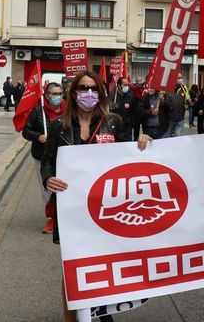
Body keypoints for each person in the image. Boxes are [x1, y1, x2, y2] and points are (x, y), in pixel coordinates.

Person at [40, 71, 152, 322]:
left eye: (93, 88)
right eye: (82, 88)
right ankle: (72, 317)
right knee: (73, 264)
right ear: (74, 92)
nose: (88, 93)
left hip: (107, 206)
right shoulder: (59, 125)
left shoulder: (113, 122)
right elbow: (47, 160)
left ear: (100, 93)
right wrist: (48, 178)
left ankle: (102, 312)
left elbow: (129, 156)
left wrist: (144, 143)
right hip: (72, 208)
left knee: (104, 261)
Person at [21, 82, 65, 233]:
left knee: (63, 187)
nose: (58, 97)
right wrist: (38, 136)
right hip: (42, 156)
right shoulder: (38, 111)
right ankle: (51, 219)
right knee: (48, 188)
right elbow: (26, 131)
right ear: (47, 96)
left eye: (60, 93)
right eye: (54, 94)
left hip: (64, 156)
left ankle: (64, 217)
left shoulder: (69, 111)